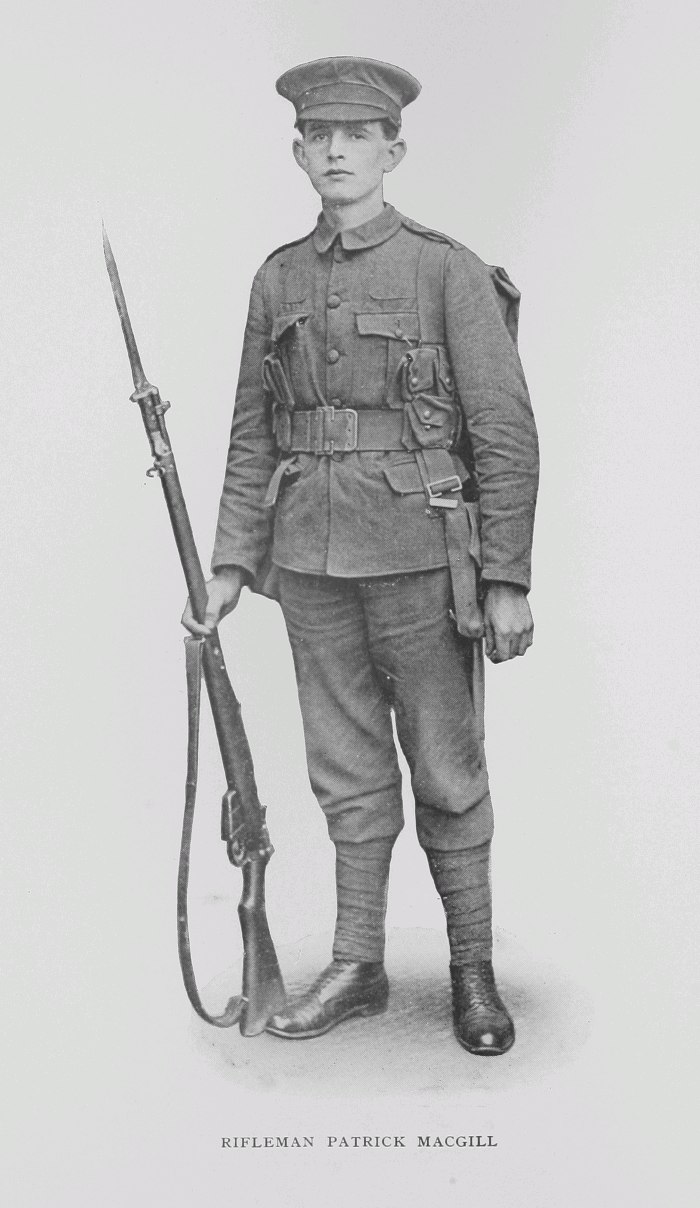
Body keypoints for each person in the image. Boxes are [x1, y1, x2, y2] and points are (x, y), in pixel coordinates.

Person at [182, 56, 539, 1056]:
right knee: (345, 773)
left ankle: (471, 972)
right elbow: (253, 430)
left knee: (448, 771)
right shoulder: (278, 279)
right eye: (318, 136)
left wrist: (506, 576)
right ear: (299, 152)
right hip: (309, 560)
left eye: (356, 135)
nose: (336, 151)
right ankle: (357, 964)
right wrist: (229, 561)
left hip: (421, 557)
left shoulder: (444, 269)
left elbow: (503, 430)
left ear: (394, 151)